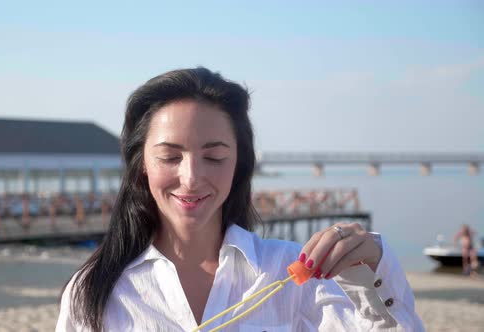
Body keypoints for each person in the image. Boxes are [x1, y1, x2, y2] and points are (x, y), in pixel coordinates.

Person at [56, 68, 424, 331]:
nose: (192, 177)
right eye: (170, 157)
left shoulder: (290, 272)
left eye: (214, 157)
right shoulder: (94, 291)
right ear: (142, 168)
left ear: (239, 165)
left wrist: (369, 267)